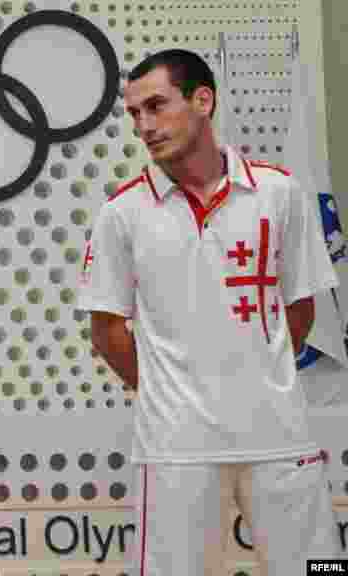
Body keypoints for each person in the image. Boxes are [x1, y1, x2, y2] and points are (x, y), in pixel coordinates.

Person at [78, 48, 341, 576]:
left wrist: (256, 375)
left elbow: (302, 309)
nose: (145, 126)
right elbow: (107, 331)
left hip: (279, 434)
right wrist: (168, 393)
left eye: (156, 106)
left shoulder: (281, 193)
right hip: (175, 448)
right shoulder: (121, 213)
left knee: (320, 570)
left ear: (203, 100)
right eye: (134, 114)